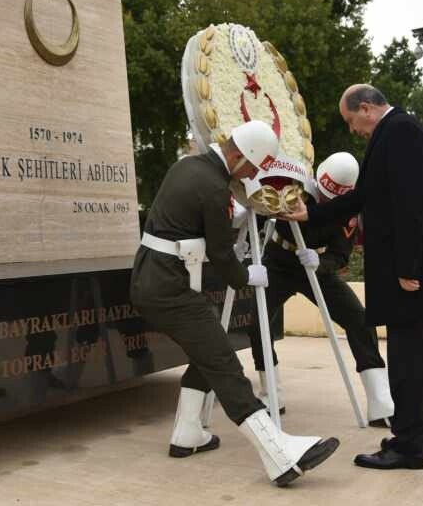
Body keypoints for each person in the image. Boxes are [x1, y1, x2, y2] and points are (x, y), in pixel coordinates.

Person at [130, 120, 339, 487]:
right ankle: (280, 455)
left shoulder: (187, 165)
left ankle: (188, 434)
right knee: (223, 361)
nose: (253, 175)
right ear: (240, 156)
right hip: (169, 286)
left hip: (154, 278)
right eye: (253, 168)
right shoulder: (212, 187)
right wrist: (246, 276)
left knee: (207, 350)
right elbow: (221, 254)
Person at [281, 84, 423, 470]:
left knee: (407, 359)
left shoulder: (399, 132)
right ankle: (416, 439)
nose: (353, 130)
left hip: (410, 274)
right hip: (410, 271)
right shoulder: (396, 132)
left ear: (366, 108)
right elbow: (365, 196)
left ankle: (408, 445)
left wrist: (407, 268)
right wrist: (310, 214)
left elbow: (411, 205)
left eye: (351, 121)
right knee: (416, 356)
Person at [246, 153, 394, 427]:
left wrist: (320, 263)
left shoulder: (349, 209)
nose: (324, 202)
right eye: (322, 195)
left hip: (314, 268)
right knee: (258, 324)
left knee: (359, 319)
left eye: (331, 199)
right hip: (278, 262)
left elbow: (341, 255)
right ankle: (271, 394)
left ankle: (381, 401)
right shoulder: (294, 184)